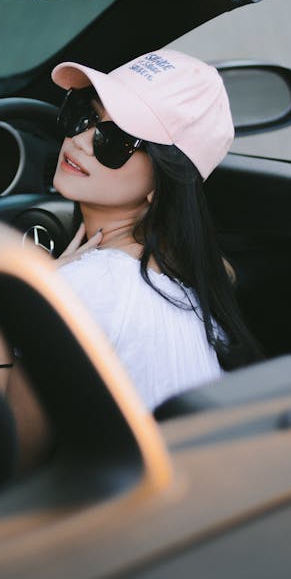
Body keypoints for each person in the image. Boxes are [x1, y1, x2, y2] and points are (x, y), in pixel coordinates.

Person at [50, 48, 262, 411]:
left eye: (115, 140)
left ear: (162, 183)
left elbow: (4, 459)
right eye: (83, 115)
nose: (82, 139)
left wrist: (6, 315)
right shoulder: (189, 284)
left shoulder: (88, 286)